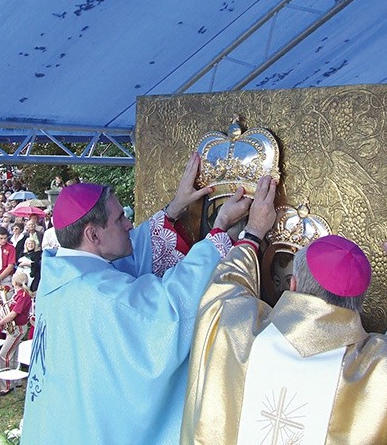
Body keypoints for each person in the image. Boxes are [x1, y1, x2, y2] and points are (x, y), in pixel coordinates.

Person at [181, 177, 387, 444]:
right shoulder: (385, 367)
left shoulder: (236, 331)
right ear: (359, 300)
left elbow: (224, 288)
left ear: (294, 283)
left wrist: (252, 234)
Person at [21, 153, 251, 445]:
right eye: (120, 219)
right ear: (92, 234)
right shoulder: (100, 296)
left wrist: (174, 209)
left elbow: (123, 260)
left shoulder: (60, 276)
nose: (130, 225)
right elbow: (173, 307)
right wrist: (220, 235)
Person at [0, 271, 33, 396]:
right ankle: (17, 381)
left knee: (4, 354)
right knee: (14, 354)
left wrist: (0, 322)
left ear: (15, 282)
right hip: (15, 327)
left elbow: (13, 314)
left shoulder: (23, 296)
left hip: (18, 328)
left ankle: (6, 385)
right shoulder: (18, 294)